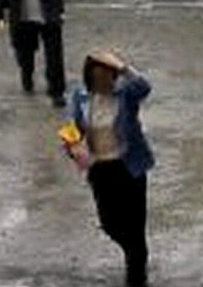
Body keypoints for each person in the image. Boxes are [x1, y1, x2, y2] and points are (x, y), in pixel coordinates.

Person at [66, 51, 154, 287]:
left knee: (135, 226)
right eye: (100, 77)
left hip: (129, 168)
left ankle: (136, 273)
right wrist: (73, 146)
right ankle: (136, 253)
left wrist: (122, 65)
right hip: (100, 170)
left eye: (110, 76)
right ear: (90, 78)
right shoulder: (80, 97)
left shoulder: (125, 94)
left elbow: (144, 87)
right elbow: (71, 129)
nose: (106, 82)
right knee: (110, 224)